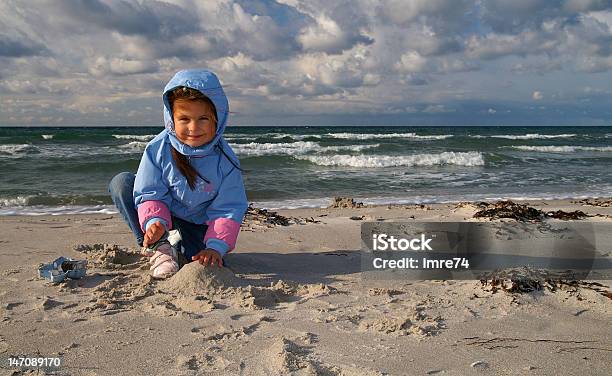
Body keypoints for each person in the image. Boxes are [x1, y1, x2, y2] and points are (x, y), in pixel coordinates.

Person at [108, 69, 248, 278]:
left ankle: (185, 246)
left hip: (199, 225)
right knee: (123, 183)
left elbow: (227, 208)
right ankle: (160, 247)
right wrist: (154, 221)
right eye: (184, 119)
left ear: (218, 118)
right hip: (166, 216)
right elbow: (150, 191)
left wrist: (215, 247)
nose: (194, 128)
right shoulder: (158, 148)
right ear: (171, 118)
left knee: (203, 262)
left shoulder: (225, 160)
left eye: (203, 118)